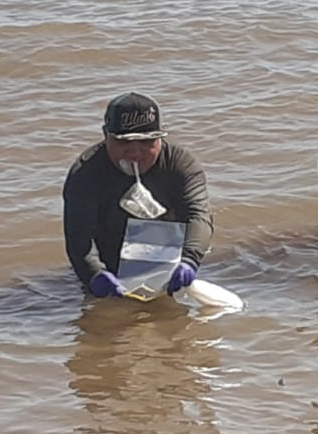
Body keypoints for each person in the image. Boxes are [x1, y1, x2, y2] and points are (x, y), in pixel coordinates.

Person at [63, 92, 213, 298]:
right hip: (110, 267)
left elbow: (199, 215)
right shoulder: (85, 173)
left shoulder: (180, 165)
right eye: (123, 142)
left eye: (146, 142)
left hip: (168, 265)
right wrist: (94, 274)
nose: (135, 152)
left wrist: (189, 260)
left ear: (160, 138)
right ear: (105, 135)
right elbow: (78, 235)